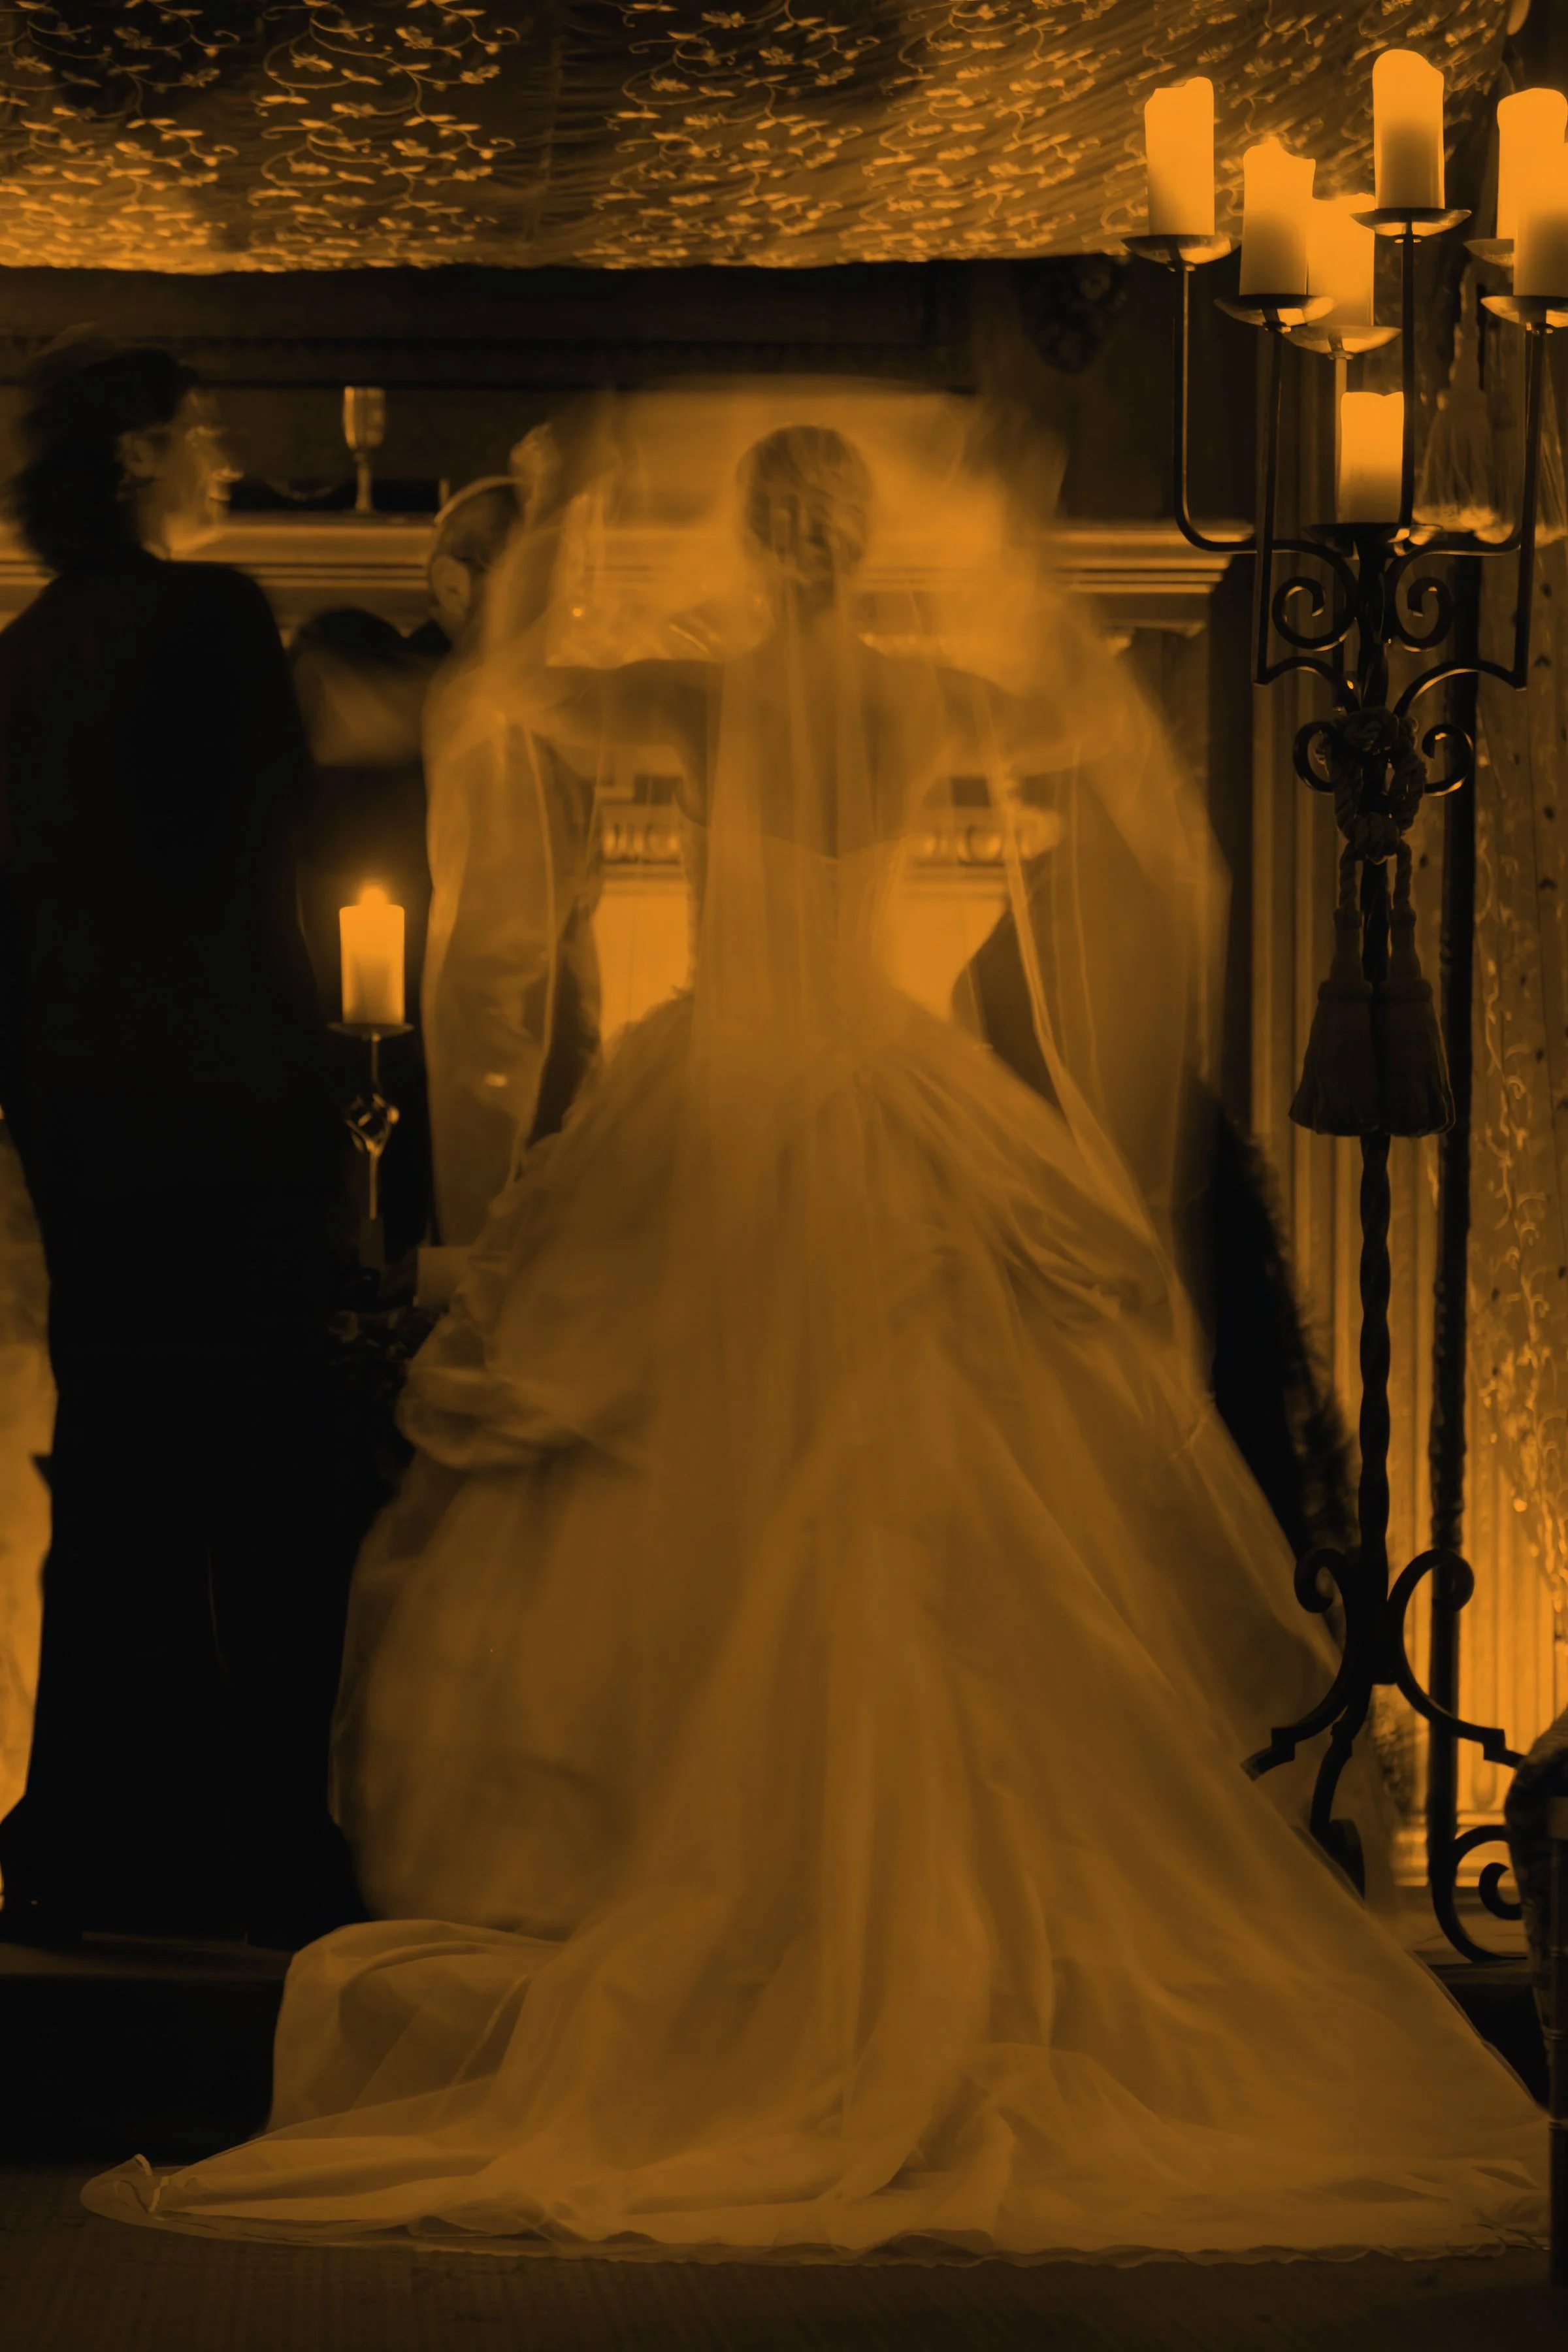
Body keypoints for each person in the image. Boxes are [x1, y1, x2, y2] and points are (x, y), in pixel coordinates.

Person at [87, 397, 1545, 2256]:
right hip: (886, 1078)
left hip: (719, 1099)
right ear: (857, 546)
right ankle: (906, 1899)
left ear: (757, 548)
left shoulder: (693, 696)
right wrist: (1033, 605)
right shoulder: (933, 695)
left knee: (708, 1478)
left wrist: (514, 589)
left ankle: (712, 1877)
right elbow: (1099, 761)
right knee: (923, 1497)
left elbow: (514, 711)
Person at [0, 335, 363, 1950]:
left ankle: (87, 1835)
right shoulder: (213, 618)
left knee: (117, 1469)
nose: (221, 454)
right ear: (143, 451)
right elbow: (264, 867)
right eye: (204, 429)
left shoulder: (19, 652)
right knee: (264, 1486)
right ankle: (255, 1844)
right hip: (230, 1117)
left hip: (81, 1130)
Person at [291, 459, 601, 1255]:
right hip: (391, 1038)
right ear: (455, 585)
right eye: (534, 580)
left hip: (529, 1024)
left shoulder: (551, 701)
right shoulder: (373, 666)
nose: (557, 609)